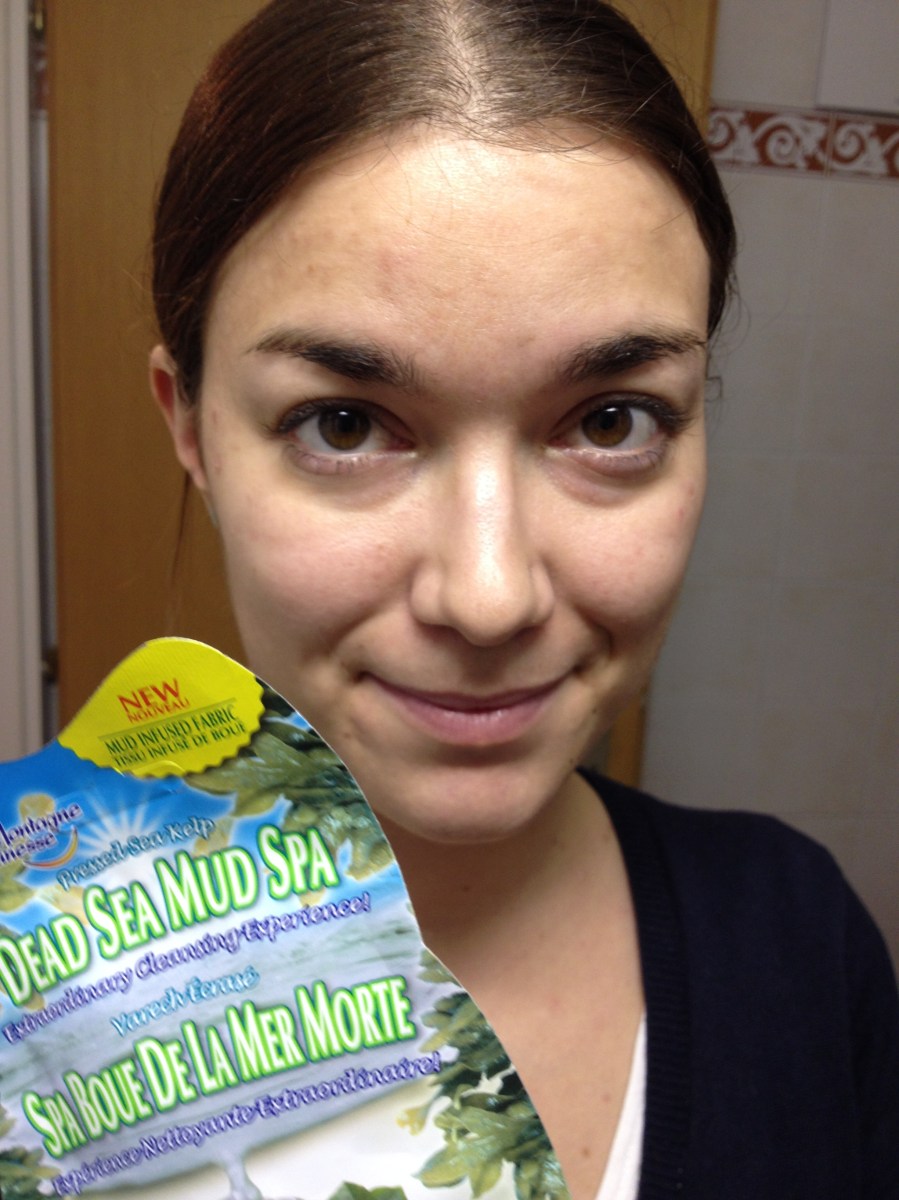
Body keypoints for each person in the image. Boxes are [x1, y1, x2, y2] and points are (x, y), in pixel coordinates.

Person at [148, 2, 899, 1196]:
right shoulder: (31, 993)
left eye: (608, 421)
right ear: (189, 424)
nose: (489, 598)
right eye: (343, 425)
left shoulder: (799, 942)